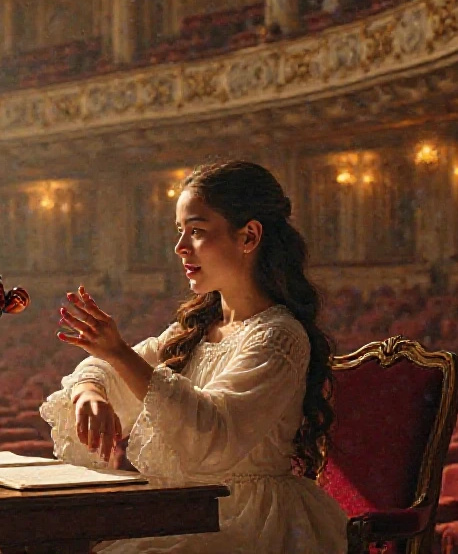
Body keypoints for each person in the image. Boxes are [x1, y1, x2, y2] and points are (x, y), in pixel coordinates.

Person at [40, 161, 348, 553]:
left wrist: (119, 352)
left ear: (249, 236)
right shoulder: (192, 332)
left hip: (246, 521)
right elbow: (109, 370)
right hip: (186, 511)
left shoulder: (279, 337)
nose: (180, 247)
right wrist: (90, 390)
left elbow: (212, 436)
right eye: (179, 231)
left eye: (197, 231)